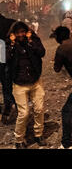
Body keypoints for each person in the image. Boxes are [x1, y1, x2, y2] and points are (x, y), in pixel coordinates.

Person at [6, 21, 46, 149]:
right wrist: (12, 44)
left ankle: (38, 134)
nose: (21, 35)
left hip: (35, 81)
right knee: (24, 113)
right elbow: (5, 59)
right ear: (13, 34)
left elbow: (42, 52)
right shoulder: (8, 44)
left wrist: (30, 41)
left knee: (39, 109)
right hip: (19, 84)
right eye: (18, 33)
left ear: (27, 31)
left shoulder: (32, 40)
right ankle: (19, 139)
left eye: (23, 32)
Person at [0, 11, 16, 124]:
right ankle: (8, 109)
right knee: (7, 85)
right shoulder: (11, 23)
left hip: (3, 57)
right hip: (7, 59)